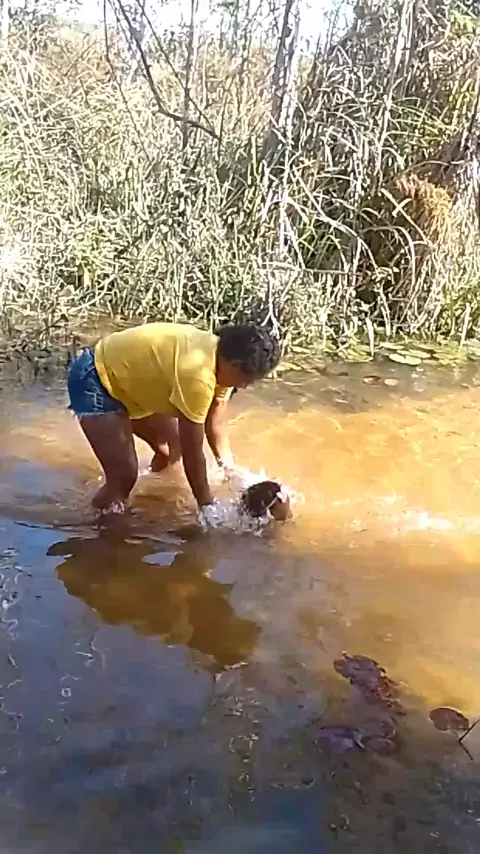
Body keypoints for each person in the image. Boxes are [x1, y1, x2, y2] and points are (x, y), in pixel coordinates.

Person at [67, 321, 280, 514]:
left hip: (128, 382)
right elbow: (193, 452)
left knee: (170, 452)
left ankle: (145, 495)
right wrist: (208, 508)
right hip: (95, 377)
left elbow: (215, 422)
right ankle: (93, 525)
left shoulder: (221, 362)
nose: (244, 386)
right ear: (234, 364)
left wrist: (229, 468)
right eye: (246, 379)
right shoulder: (199, 377)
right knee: (123, 477)